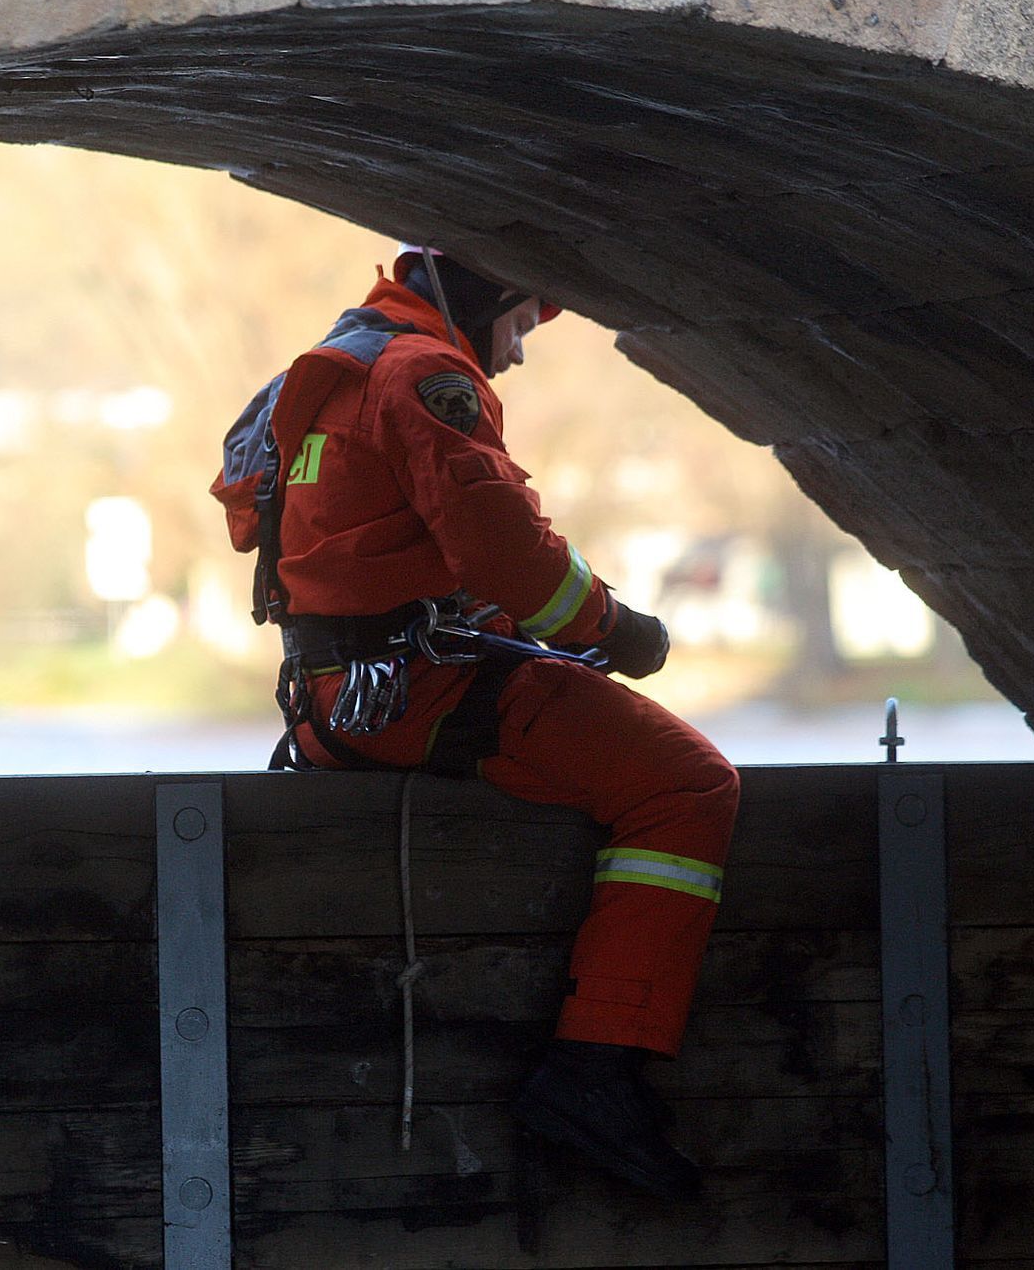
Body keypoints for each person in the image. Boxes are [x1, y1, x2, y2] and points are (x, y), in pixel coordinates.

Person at [211, 246, 740, 1201]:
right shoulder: (426, 374)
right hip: (422, 690)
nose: (520, 353)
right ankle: (596, 1071)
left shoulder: (333, 368)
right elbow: (507, 554)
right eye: (525, 323)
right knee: (687, 785)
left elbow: (357, 558)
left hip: (337, 698)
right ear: (487, 291)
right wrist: (617, 631)